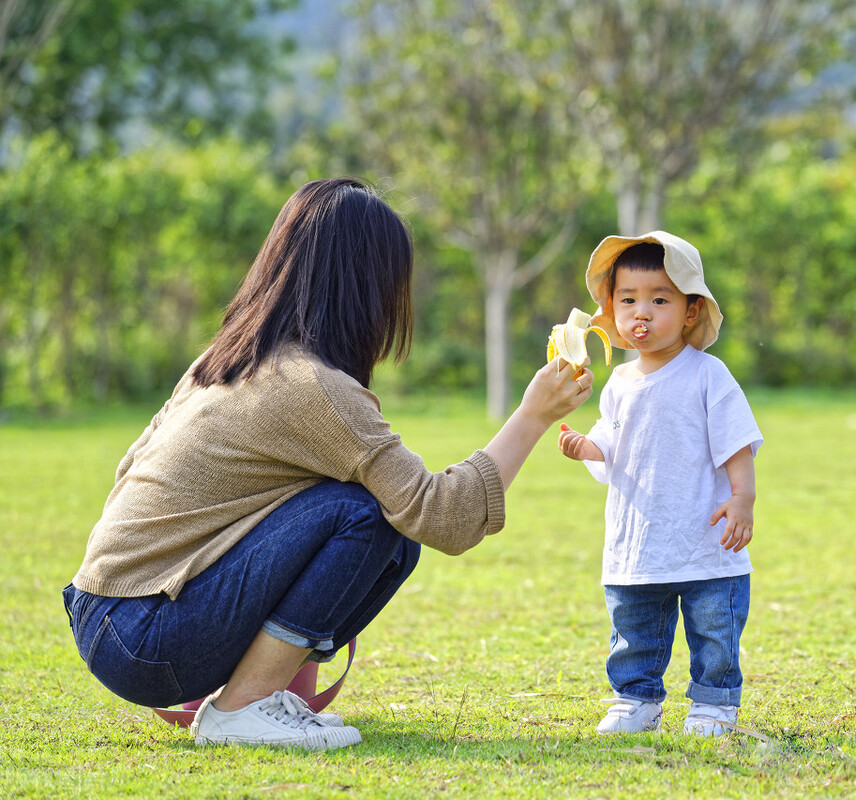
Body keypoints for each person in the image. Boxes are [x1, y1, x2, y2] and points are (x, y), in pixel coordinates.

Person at [61, 177, 594, 751]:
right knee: (368, 515)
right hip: (148, 635)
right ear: (368, 285)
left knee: (386, 534)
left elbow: (130, 469)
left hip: (105, 614)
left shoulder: (223, 360)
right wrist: (533, 415)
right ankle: (241, 710)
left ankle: (253, 698)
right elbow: (443, 515)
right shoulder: (313, 387)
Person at [557, 231, 762, 737]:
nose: (641, 313)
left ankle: (714, 704)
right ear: (612, 309)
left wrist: (742, 498)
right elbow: (612, 441)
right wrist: (588, 447)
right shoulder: (619, 383)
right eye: (628, 300)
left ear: (691, 311)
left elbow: (735, 441)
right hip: (638, 537)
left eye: (659, 300)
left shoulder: (707, 374)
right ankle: (636, 699)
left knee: (714, 627)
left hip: (703, 536)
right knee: (633, 627)